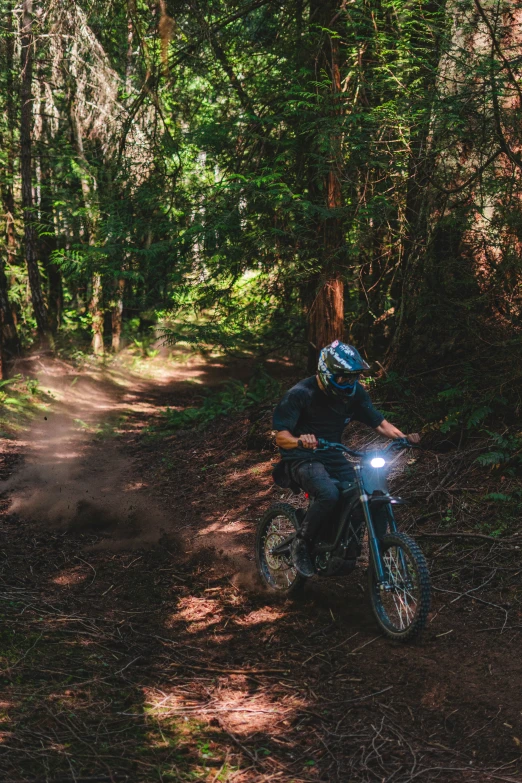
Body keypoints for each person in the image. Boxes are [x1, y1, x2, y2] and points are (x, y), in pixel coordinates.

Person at [272, 340, 419, 577]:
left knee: (364, 495)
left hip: (332, 454)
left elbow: (379, 423)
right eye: (343, 377)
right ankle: (301, 542)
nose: (350, 382)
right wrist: (300, 440)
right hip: (301, 457)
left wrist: (403, 437)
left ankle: (354, 551)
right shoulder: (300, 394)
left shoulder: (355, 394)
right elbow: (281, 436)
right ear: (327, 372)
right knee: (329, 493)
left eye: (354, 377)